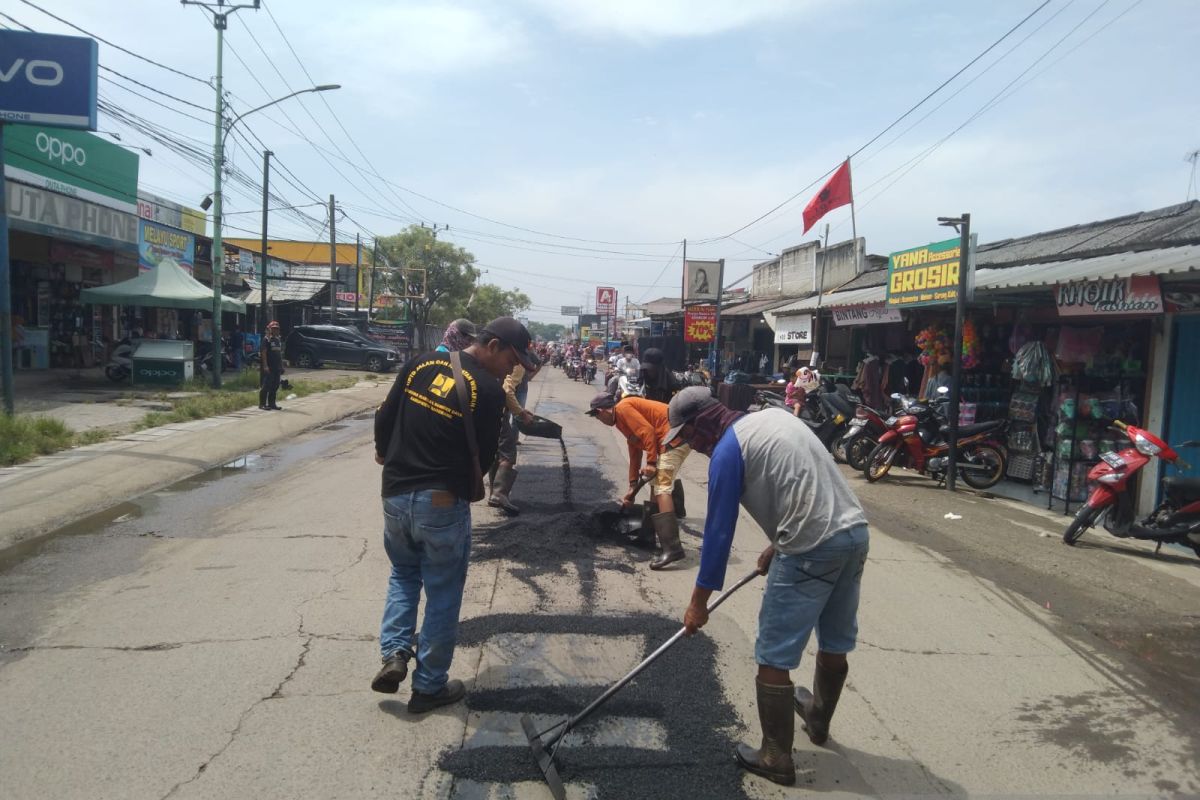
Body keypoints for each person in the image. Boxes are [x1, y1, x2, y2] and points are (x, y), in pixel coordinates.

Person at [664, 387, 870, 786]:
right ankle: (818, 719)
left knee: (773, 653)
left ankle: (775, 757)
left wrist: (697, 604)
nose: (692, 446)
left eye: (688, 437)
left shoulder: (726, 452)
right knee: (836, 637)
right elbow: (807, 483)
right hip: (854, 534)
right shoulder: (774, 419)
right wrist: (777, 542)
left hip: (811, 548)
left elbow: (718, 537)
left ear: (701, 423)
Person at [371, 317, 535, 713]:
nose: (514, 370)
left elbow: (384, 416)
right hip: (442, 502)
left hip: (395, 493)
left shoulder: (420, 363)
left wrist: (384, 453)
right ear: (492, 345)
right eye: (513, 360)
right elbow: (482, 455)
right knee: (443, 592)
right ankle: (428, 686)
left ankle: (394, 653)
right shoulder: (491, 391)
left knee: (404, 574)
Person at [586, 392, 690, 570]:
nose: (598, 420)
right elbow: (634, 452)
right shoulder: (620, 420)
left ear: (602, 411)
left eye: (596, 416)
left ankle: (673, 547)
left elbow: (648, 431)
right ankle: (647, 536)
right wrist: (632, 486)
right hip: (668, 439)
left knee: (661, 488)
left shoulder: (623, 408)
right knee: (654, 484)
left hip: (674, 437)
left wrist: (650, 463)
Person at [489, 354, 541, 514]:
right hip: (496, 411)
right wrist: (521, 413)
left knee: (495, 451)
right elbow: (507, 391)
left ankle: (493, 492)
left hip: (483, 407)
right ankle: (499, 494)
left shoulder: (495, 358)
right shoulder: (517, 365)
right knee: (508, 452)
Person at [258, 321, 284, 411]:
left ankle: (272, 403)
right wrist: (265, 366)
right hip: (269, 367)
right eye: (274, 328)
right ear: (270, 329)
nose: (275, 330)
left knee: (275, 385)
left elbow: (279, 354)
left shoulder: (277, 340)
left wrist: (281, 366)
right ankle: (262, 404)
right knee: (266, 385)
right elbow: (264, 352)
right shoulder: (266, 339)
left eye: (277, 328)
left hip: (276, 367)